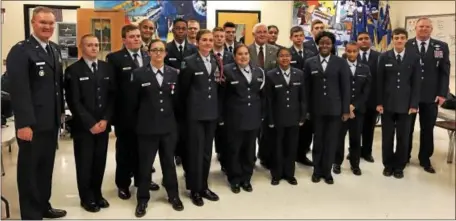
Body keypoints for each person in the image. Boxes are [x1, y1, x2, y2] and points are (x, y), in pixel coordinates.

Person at [6, 6, 67, 219]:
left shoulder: (54, 49)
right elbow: (19, 90)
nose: (48, 27)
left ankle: (43, 205)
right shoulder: (21, 50)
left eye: (51, 23)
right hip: (31, 124)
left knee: (45, 168)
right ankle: (31, 213)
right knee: (29, 171)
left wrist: (60, 114)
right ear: (33, 23)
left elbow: (56, 86)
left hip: (50, 122)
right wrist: (23, 124)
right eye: (43, 22)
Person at [106, 24, 159, 200]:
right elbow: (111, 89)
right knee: (125, 152)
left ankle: (142, 180)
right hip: (125, 116)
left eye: (138, 36)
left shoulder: (147, 55)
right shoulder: (114, 58)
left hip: (146, 114)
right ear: (124, 40)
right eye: (132, 36)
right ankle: (123, 184)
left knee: (144, 151)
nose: (136, 39)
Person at [132, 39, 184, 217]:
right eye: (154, 50)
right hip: (146, 127)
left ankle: (173, 195)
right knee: (145, 165)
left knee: (169, 164)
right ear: (148, 53)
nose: (158, 53)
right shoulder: (138, 74)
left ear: (166, 53)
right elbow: (133, 103)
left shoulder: (174, 73)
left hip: (168, 127)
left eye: (161, 50)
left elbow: (178, 101)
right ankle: (142, 199)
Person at [64, 34, 115, 212]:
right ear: (81, 47)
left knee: (100, 161)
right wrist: (90, 123)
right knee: (85, 163)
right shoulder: (73, 71)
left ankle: (97, 194)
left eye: (96, 45)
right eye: (89, 45)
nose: (94, 48)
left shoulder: (106, 68)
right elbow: (74, 101)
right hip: (84, 127)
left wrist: (105, 119)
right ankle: (86, 197)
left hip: (103, 125)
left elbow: (111, 97)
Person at [179, 29, 221, 206]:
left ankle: (203, 186)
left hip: (210, 113)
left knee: (206, 152)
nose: (208, 43)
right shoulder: (189, 62)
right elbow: (183, 91)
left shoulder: (215, 60)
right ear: (197, 42)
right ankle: (194, 189)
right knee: (194, 153)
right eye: (204, 40)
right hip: (194, 114)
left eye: (210, 40)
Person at [303, 31, 350, 185]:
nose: (325, 45)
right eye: (322, 42)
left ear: (332, 45)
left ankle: (327, 171)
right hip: (317, 110)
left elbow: (345, 88)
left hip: (335, 110)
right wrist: (307, 110)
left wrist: (345, 110)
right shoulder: (310, 62)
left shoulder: (340, 62)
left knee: (331, 141)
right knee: (318, 141)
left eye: (328, 43)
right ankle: (317, 170)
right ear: (318, 44)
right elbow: (306, 89)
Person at [406, 17, 450, 173]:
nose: (423, 29)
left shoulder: (441, 46)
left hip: (431, 95)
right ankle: (404, 157)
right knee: (407, 128)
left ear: (431, 29)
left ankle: (425, 159)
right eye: (421, 26)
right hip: (409, 95)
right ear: (415, 28)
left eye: (427, 26)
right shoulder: (406, 44)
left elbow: (445, 72)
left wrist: (442, 93)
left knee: (427, 129)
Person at [377, 28, 421, 179]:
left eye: (402, 38)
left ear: (406, 40)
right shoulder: (384, 57)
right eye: (396, 38)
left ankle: (399, 166)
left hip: (406, 105)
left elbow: (416, 83)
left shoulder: (414, 57)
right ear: (393, 40)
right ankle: (388, 165)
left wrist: (414, 104)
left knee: (403, 137)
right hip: (387, 104)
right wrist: (379, 102)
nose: (399, 40)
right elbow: (379, 82)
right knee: (387, 137)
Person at [220, 44, 264, 193]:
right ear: (234, 56)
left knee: (249, 151)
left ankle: (247, 178)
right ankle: (235, 179)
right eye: (240, 54)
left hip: (253, 118)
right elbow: (222, 97)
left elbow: (262, 95)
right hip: (234, 119)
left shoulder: (258, 71)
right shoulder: (227, 71)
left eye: (246, 53)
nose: (243, 56)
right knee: (234, 150)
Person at [266, 48, 307, 186]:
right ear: (277, 58)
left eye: (287, 56)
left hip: (294, 117)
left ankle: (290, 174)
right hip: (277, 118)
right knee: (277, 147)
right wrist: (270, 119)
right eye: (281, 56)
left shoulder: (299, 74)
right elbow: (269, 100)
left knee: (291, 147)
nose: (285, 58)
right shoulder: (270, 75)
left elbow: (303, 98)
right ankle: (276, 174)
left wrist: (302, 116)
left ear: (291, 58)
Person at [333, 42, 371, 176]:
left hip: (357, 111)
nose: (352, 54)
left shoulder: (365, 68)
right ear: (345, 52)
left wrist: (353, 106)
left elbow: (366, 91)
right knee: (339, 137)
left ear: (358, 52)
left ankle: (355, 164)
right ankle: (336, 162)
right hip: (342, 110)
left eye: (355, 51)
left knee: (355, 138)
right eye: (349, 51)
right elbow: (337, 89)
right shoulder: (339, 67)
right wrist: (346, 107)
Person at [164, 18, 198, 167]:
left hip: (189, 93)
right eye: (178, 28)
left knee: (186, 127)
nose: (181, 31)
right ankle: (175, 153)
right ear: (173, 30)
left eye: (184, 28)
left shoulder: (193, 49)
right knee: (173, 127)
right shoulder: (166, 49)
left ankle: (185, 154)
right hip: (170, 95)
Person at [248, 23, 279, 170]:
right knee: (252, 128)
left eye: (264, 32)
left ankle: (265, 156)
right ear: (253, 34)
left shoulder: (276, 51)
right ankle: (250, 157)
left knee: (268, 128)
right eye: (259, 32)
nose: (262, 34)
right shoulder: (246, 50)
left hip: (271, 96)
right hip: (252, 95)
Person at [288, 25, 315, 166]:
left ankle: (302, 154)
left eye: (301, 35)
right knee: (293, 127)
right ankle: (291, 154)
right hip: (292, 93)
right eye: (296, 36)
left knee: (307, 127)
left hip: (309, 94)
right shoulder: (287, 53)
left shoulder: (311, 53)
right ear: (291, 38)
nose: (298, 38)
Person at [212, 27, 235, 172]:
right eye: (217, 36)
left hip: (225, 98)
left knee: (224, 131)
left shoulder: (230, 56)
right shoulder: (208, 55)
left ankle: (225, 160)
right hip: (210, 97)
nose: (220, 39)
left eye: (222, 36)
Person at [357, 31, 381, 163]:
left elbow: (381, 80)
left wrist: (379, 101)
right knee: (355, 129)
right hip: (355, 100)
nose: (364, 41)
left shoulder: (379, 57)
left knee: (369, 128)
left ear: (371, 40)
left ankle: (367, 152)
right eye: (360, 39)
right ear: (357, 42)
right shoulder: (350, 55)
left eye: (366, 38)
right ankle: (353, 151)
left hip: (372, 100)